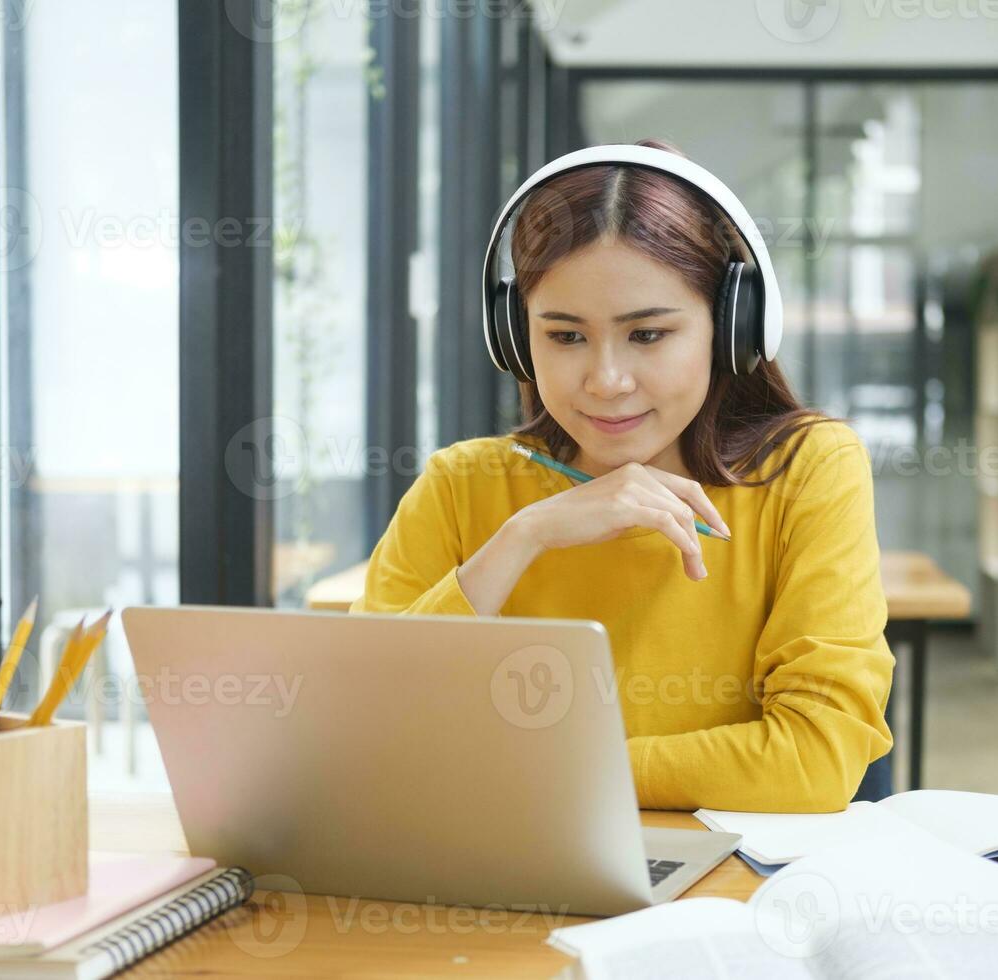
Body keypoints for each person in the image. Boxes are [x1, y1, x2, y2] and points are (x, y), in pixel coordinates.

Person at [352, 138, 893, 813]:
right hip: (500, 880)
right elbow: (365, 732)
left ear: (731, 327)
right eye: (565, 336)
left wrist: (546, 771)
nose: (606, 382)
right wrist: (523, 537)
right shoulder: (464, 487)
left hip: (721, 896)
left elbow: (815, 759)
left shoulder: (807, 470)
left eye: (647, 335)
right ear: (516, 337)